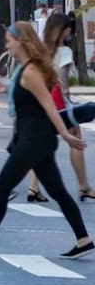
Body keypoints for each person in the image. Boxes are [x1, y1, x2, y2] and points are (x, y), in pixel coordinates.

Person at [0, 21, 92, 259]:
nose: (7, 46)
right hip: (36, 138)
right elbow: (30, 100)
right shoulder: (27, 69)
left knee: (1, 187)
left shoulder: (31, 71)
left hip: (35, 139)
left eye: (10, 41)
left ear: (22, 42)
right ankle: (84, 240)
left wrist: (68, 134)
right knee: (58, 191)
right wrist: (3, 90)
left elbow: (49, 105)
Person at [28, 13, 95, 202]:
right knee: (76, 137)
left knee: (36, 144)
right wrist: (69, 101)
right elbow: (63, 83)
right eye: (67, 29)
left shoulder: (38, 49)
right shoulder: (64, 51)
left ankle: (33, 187)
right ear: (61, 30)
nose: (69, 33)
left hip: (38, 101)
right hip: (57, 103)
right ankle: (83, 186)